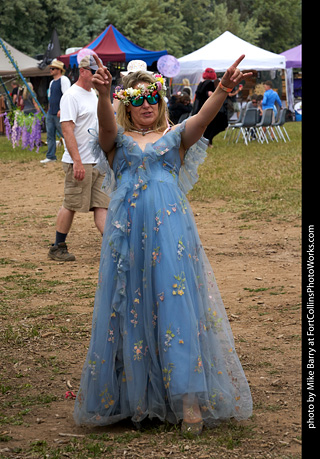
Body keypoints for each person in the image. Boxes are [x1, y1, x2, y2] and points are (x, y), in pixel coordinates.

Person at [73, 54, 253, 435]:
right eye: (137, 99)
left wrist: (222, 89)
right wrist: (105, 96)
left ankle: (188, 399)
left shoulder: (175, 138)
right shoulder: (116, 141)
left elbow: (202, 120)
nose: (146, 105)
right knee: (127, 304)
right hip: (127, 237)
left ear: (161, 100)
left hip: (170, 234)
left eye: (152, 97)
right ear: (127, 105)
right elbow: (106, 130)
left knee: (175, 304)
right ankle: (131, 397)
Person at [48, 54, 109, 262]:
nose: (97, 75)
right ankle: (57, 246)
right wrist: (77, 161)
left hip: (98, 160)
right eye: (94, 72)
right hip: (79, 160)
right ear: (83, 71)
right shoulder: (71, 96)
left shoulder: (94, 94)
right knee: (71, 204)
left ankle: (112, 247)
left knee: (102, 205)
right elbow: (67, 130)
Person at [40, 59, 71, 164]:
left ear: (59, 70)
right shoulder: (52, 82)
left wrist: (62, 110)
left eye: (53, 68)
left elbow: (66, 96)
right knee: (50, 135)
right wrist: (49, 109)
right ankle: (51, 156)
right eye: (51, 68)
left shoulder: (64, 80)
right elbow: (51, 98)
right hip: (51, 112)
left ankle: (70, 153)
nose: (51, 70)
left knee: (66, 134)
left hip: (60, 113)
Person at [192, 69, 228, 144]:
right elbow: (210, 95)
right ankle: (208, 140)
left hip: (200, 108)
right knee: (219, 124)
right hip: (208, 108)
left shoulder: (201, 83)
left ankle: (206, 140)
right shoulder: (210, 84)